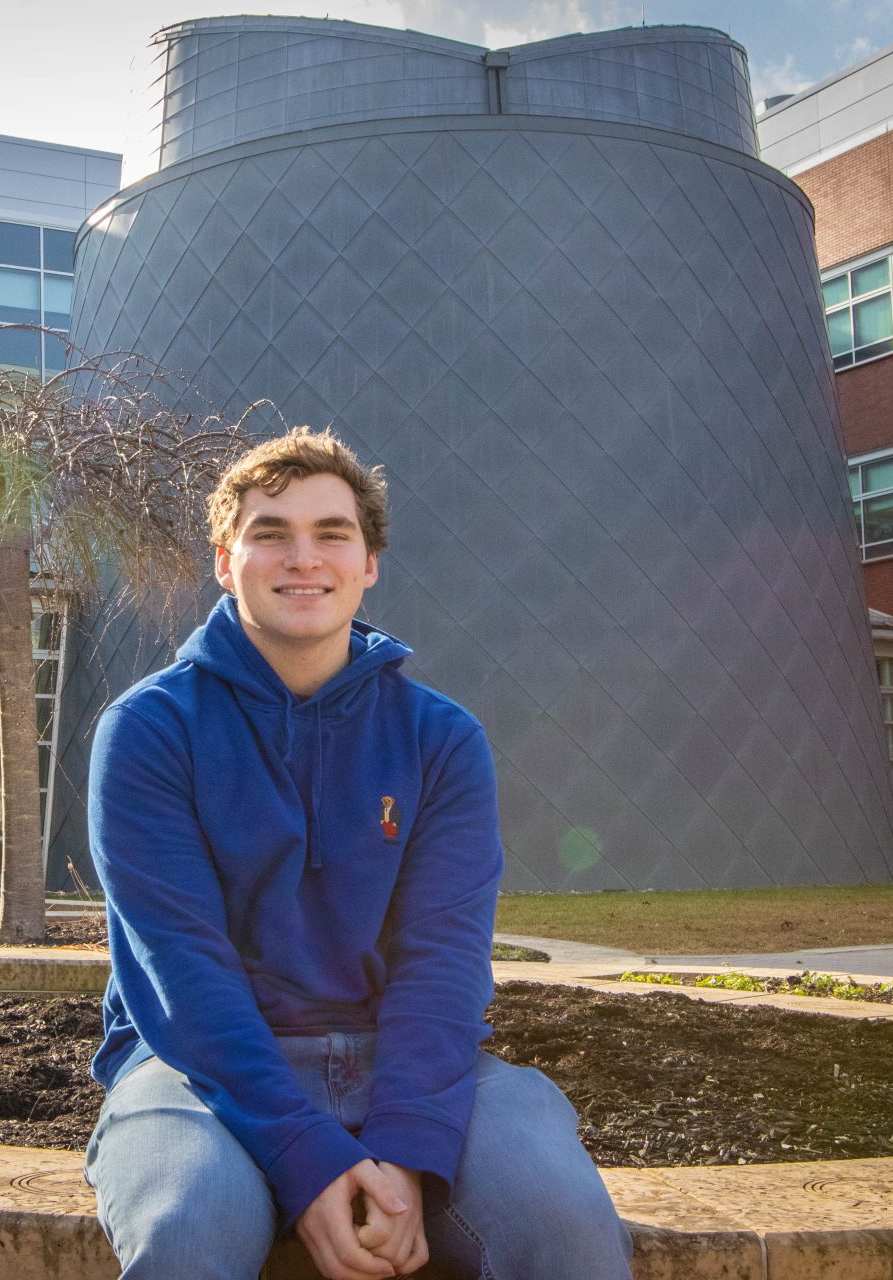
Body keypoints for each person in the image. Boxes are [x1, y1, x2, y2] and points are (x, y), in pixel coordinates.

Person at [84, 427, 634, 1280]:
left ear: (369, 562)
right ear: (226, 562)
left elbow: (443, 962)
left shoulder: (441, 738)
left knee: (559, 1219)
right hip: (195, 1068)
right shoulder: (148, 731)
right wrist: (305, 1161)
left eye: (331, 533)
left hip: (401, 1061)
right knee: (188, 1227)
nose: (303, 558)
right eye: (271, 533)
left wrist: (407, 1154)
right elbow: (183, 974)